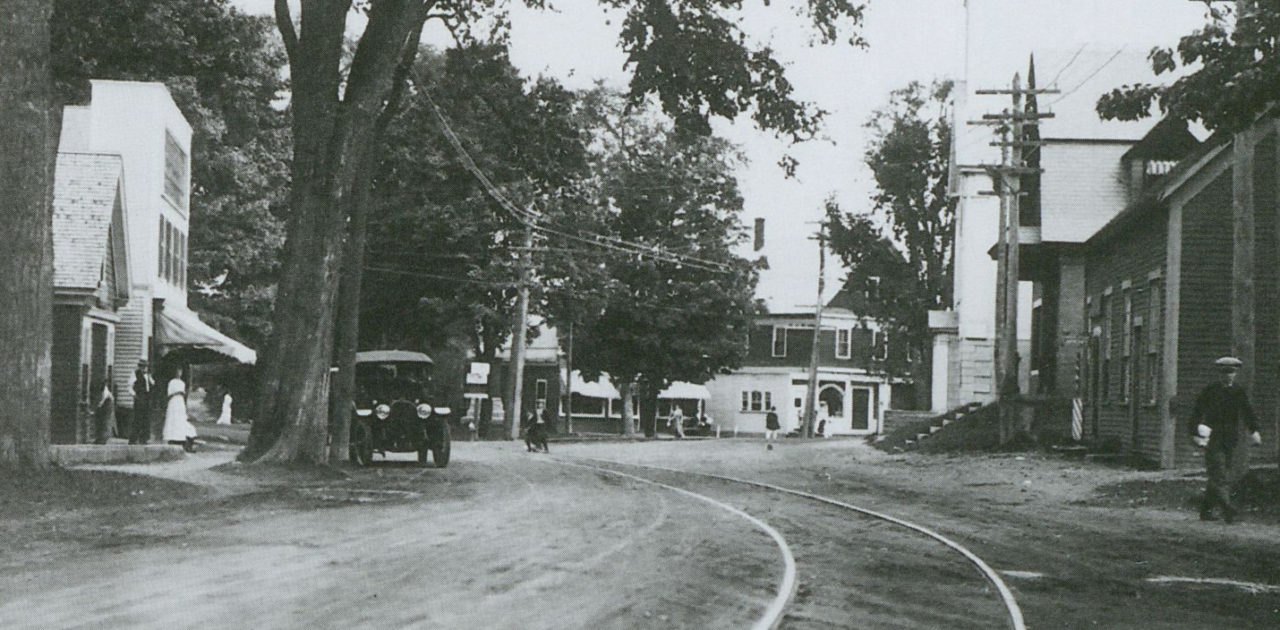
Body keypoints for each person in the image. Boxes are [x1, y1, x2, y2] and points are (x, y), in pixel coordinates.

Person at [1190, 357, 1263, 524]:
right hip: (1212, 438)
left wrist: (1254, 431)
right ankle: (1228, 510)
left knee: (1219, 474)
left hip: (1230, 439)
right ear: (1219, 373)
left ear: (1235, 374)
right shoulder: (1210, 391)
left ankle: (1206, 510)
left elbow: (1248, 412)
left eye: (1231, 372)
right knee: (1219, 474)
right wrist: (1195, 433)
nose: (1228, 376)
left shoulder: (1238, 392)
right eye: (1224, 372)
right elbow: (1197, 412)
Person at [162, 367, 198, 453]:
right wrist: (176, 393)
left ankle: (182, 438)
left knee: (181, 419)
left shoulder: (182, 383)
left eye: (180, 372)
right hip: (173, 402)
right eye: (177, 371)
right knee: (173, 419)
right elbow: (169, 394)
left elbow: (184, 394)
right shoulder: (172, 382)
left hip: (180, 402)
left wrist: (182, 394)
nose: (179, 373)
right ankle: (172, 437)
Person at [131, 360, 155, 444]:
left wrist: (150, 379)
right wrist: (134, 395)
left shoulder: (148, 375)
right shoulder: (135, 374)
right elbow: (130, 386)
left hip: (147, 397)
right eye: (143, 366)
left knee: (146, 418)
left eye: (146, 366)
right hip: (139, 397)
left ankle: (144, 438)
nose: (145, 368)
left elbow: (152, 383)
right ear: (139, 366)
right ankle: (133, 439)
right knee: (138, 418)